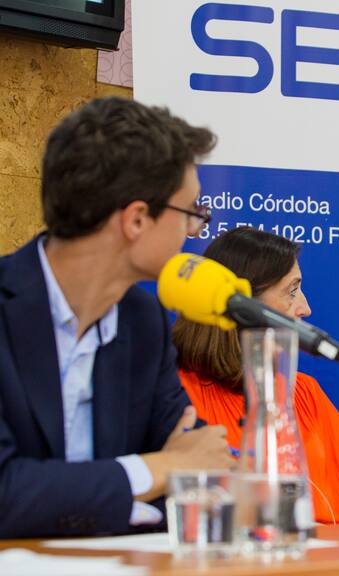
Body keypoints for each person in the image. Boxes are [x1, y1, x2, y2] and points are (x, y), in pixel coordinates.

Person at [0, 97, 232, 538]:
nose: (194, 231)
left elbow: (199, 467)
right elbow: (5, 491)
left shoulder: (143, 321)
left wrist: (171, 470)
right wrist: (157, 470)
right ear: (137, 220)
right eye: (191, 213)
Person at [172, 227, 339, 523]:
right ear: (241, 306)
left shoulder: (303, 391)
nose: (306, 308)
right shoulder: (179, 396)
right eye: (291, 291)